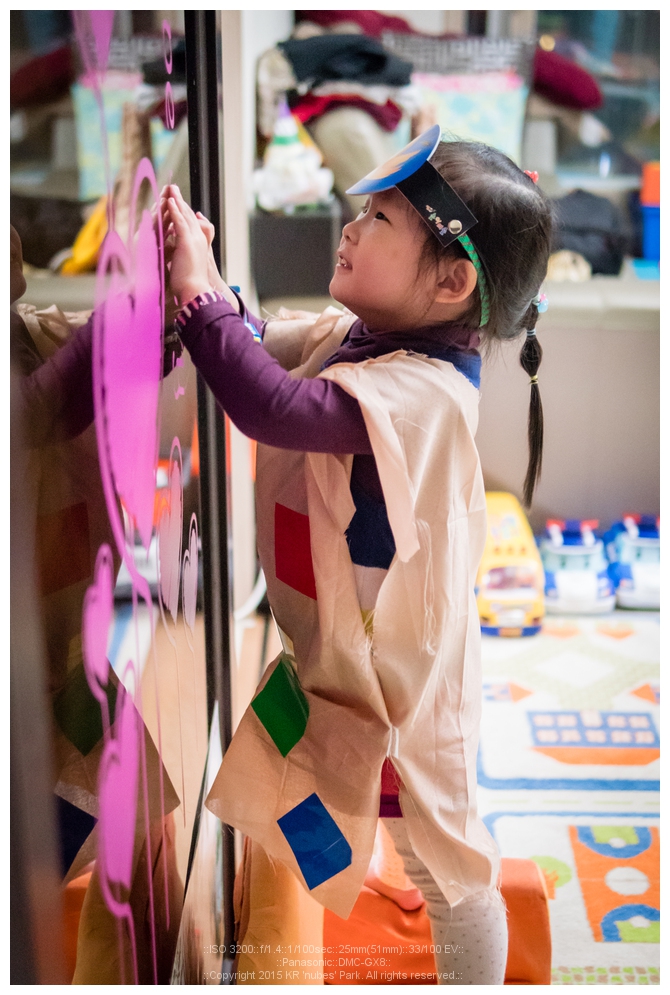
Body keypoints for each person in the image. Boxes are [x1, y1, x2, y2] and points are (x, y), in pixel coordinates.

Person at [162, 126, 552, 985]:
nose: (350, 226)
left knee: (446, 866)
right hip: (345, 657)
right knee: (302, 784)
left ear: (450, 283)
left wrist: (195, 298)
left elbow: (270, 407)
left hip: (404, 687)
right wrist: (208, 290)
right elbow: (260, 341)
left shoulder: (424, 392)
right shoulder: (362, 335)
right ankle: (327, 906)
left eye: (379, 218)